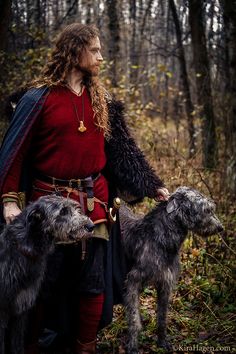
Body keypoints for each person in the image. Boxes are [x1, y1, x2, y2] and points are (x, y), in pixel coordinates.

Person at [0, 23, 169, 354]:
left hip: (95, 202)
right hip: (47, 207)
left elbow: (122, 150)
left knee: (93, 281)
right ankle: (30, 345)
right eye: (95, 50)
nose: (101, 57)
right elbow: (15, 152)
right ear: (75, 51)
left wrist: (152, 185)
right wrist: (8, 200)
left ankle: (85, 347)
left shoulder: (101, 99)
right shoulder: (39, 98)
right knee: (42, 284)